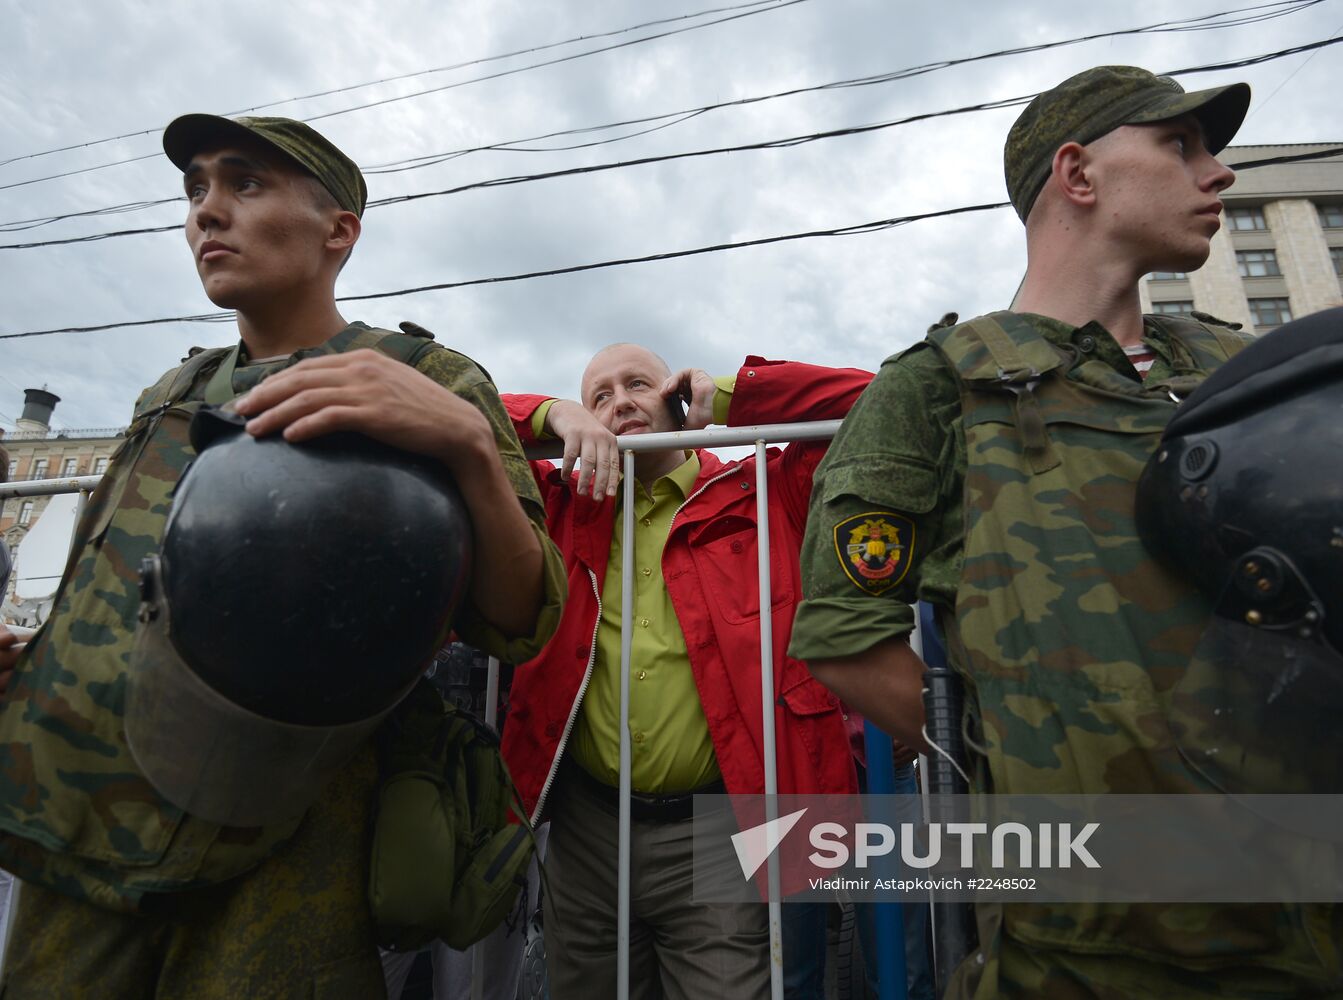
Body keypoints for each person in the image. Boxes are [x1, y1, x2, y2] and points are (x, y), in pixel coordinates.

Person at [792, 64, 1340, 997]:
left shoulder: (1243, 365)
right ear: (1078, 175)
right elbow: (848, 637)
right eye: (1180, 146)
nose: (1219, 175)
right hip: (1098, 949)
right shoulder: (943, 384)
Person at [0, 114, 565, 999]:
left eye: (244, 184)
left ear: (338, 230)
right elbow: (106, 588)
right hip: (84, 809)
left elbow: (517, 618)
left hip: (281, 831)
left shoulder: (424, 378)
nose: (206, 214)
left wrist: (466, 446)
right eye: (194, 191)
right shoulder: (172, 393)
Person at [499, 346, 870, 998]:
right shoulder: (560, 504)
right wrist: (547, 415)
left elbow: (875, 401)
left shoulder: (760, 490)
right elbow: (457, 424)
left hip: (722, 826)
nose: (620, 403)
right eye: (599, 398)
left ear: (671, 393)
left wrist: (731, 397)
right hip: (586, 830)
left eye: (637, 384)